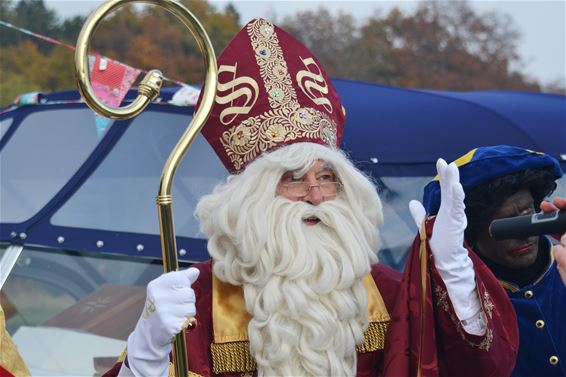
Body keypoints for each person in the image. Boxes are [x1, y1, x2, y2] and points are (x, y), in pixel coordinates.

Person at [104, 19, 518, 377]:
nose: (317, 195)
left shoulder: (389, 295)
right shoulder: (198, 301)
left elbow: (476, 367)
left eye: (328, 177)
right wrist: (147, 352)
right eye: (293, 179)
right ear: (252, 199)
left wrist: (452, 270)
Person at [421, 145, 566, 377]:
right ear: (471, 234)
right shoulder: (464, 308)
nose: (524, 233)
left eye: (528, 215)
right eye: (507, 224)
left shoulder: (562, 271)